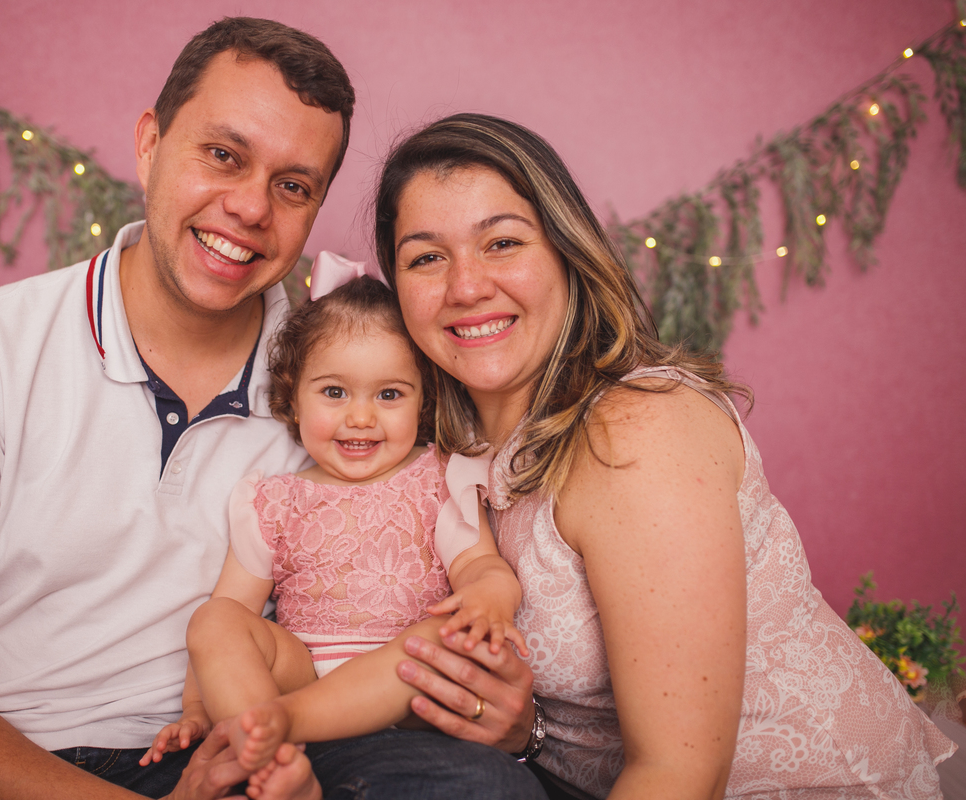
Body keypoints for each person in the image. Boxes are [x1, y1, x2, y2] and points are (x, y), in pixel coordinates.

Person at [0, 23, 542, 800]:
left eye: (293, 186)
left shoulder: (340, 376)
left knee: (477, 788)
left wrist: (510, 722)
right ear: (149, 144)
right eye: (223, 155)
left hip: (238, 741)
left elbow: (453, 561)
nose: (248, 207)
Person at [378, 113, 958, 799]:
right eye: (426, 257)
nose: (466, 286)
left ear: (568, 253)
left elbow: (680, 773)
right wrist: (525, 730)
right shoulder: (441, 454)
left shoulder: (634, 428)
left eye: (502, 242)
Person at [139, 261, 528, 784]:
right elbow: (231, 611)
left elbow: (482, 564)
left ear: (423, 397)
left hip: (402, 686)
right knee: (214, 620)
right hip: (300, 673)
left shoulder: (435, 478)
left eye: (389, 394)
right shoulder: (273, 499)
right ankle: (271, 757)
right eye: (334, 392)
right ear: (293, 397)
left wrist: (490, 597)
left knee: (441, 634)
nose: (361, 418)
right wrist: (195, 707)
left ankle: (276, 733)